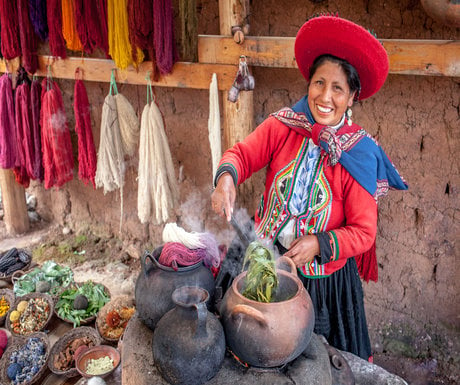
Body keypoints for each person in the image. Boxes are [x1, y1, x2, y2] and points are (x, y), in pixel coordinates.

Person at [211, 14, 408, 361]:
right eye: (319, 83)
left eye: (338, 89)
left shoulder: (359, 155)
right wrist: (227, 177)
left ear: (352, 98)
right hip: (261, 256)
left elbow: (364, 232)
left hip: (322, 282)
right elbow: (242, 154)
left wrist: (319, 242)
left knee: (314, 364)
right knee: (245, 348)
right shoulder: (284, 125)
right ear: (308, 84)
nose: (325, 97)